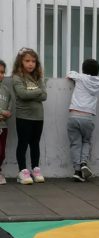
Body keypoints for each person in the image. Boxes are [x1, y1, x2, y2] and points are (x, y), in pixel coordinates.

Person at [12, 48, 47, 185]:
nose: (30, 64)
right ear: (20, 62)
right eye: (27, 61)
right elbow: (22, 95)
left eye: (33, 61)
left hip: (38, 117)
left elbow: (45, 96)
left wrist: (34, 92)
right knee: (23, 143)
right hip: (24, 116)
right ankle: (22, 172)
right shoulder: (17, 77)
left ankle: (35, 169)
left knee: (35, 144)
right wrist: (38, 91)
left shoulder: (38, 77)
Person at [66, 59, 99, 182]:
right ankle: (83, 163)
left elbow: (70, 74)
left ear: (83, 69)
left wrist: (76, 75)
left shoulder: (80, 78)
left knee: (75, 143)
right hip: (88, 117)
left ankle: (77, 170)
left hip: (74, 114)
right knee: (86, 141)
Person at [0, 60, 13, 185]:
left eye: (2, 72)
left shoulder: (6, 90)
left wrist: (7, 113)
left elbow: (9, 106)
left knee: (1, 152)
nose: (0, 75)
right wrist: (2, 112)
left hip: (3, 126)